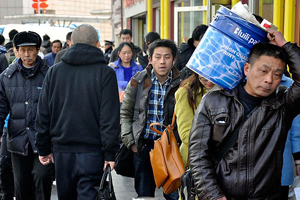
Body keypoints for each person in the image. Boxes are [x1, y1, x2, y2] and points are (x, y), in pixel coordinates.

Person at [188, 30, 300, 199]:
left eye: (277, 74)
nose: (269, 80)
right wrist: (213, 195)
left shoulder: (282, 105)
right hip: (222, 195)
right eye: (263, 71)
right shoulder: (213, 101)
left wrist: (285, 45)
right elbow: (198, 155)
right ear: (247, 68)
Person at [35, 24, 120, 200]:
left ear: (71, 43)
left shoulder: (54, 72)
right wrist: (110, 152)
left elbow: (43, 112)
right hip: (92, 151)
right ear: (97, 44)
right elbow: (109, 118)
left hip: (62, 151)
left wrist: (43, 147)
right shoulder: (106, 73)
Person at [120, 39, 181, 199]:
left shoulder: (181, 83)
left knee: (174, 194)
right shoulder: (138, 80)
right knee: (144, 195)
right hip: (144, 146)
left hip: (170, 148)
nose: (162, 61)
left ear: (174, 59)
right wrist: (131, 142)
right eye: (158, 57)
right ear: (150, 59)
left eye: (167, 57)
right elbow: (125, 113)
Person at [0, 31, 52, 200]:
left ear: (38, 50)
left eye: (30, 50)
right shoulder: (7, 77)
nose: (26, 54)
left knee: (43, 177)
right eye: (22, 50)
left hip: (43, 139)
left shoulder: (50, 75)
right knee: (21, 185)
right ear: (16, 51)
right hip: (17, 137)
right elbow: (1, 108)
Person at [174, 73, 217, 167]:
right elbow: (186, 135)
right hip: (196, 159)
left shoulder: (229, 89)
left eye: (213, 76)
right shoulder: (186, 92)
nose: (209, 82)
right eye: (204, 78)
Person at [279, 74, 300, 200]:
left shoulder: (289, 84)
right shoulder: (237, 82)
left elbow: (295, 127)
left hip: (281, 165)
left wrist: (298, 159)